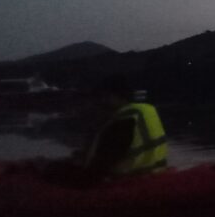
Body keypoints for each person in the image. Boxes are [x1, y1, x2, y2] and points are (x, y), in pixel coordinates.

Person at [27, 74, 168, 187]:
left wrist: (48, 170)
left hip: (126, 184)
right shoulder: (146, 111)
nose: (98, 103)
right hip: (154, 176)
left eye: (101, 98)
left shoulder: (120, 125)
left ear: (112, 96)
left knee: (50, 169)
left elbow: (90, 179)